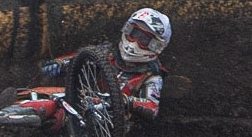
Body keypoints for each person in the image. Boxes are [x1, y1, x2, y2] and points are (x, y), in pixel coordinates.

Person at [39, 7, 172, 121]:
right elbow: (81, 56)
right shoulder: (109, 52)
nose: (134, 42)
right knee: (46, 104)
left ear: (156, 46)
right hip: (81, 100)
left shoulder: (151, 75)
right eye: (134, 33)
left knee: (56, 113)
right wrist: (60, 63)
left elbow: (152, 108)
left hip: (110, 121)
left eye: (144, 39)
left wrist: (125, 101)